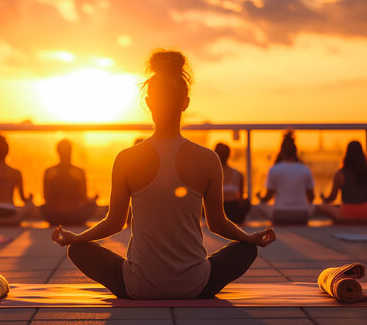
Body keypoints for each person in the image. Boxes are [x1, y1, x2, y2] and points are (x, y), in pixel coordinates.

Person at [51, 50, 276, 299]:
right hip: (195, 286)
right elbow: (217, 224)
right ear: (186, 103)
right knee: (247, 250)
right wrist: (249, 238)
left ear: (149, 102)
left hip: (138, 287)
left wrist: (77, 237)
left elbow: (113, 223)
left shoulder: (127, 158)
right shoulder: (208, 158)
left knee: (78, 250)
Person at [257, 131, 314, 225]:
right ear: (296, 152)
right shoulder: (305, 169)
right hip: (302, 215)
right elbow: (311, 198)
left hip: (280, 215)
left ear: (281, 152)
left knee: (260, 206)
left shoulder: (274, 169)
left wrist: (261, 198)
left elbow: (269, 196)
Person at [40, 139, 98, 226]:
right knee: (93, 204)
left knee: (43, 207)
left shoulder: (49, 172)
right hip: (76, 216)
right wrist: (93, 199)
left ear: (57, 152)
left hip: (54, 216)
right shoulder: (79, 172)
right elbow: (84, 198)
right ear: (71, 151)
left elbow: (46, 197)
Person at [319, 141, 367, 222]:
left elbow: (332, 197)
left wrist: (324, 198)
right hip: (365, 212)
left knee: (322, 206)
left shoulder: (340, 174)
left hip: (347, 213)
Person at [213, 143, 251, 224]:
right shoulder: (238, 174)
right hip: (234, 212)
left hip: (216, 212)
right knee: (247, 202)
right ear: (229, 155)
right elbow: (241, 197)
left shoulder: (211, 173)